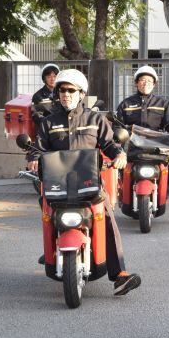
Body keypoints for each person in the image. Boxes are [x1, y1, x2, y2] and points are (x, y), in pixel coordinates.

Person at [28, 69, 141, 296]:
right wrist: (32, 159)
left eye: (71, 90)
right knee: (47, 210)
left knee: (107, 216)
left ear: (81, 93)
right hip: (56, 184)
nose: (66, 94)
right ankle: (51, 252)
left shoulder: (95, 119)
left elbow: (110, 145)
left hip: (88, 183)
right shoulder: (48, 122)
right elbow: (37, 148)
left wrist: (120, 155)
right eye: (62, 90)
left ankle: (119, 274)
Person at [116, 65, 169, 225]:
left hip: (158, 148)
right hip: (133, 148)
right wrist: (119, 135)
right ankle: (120, 203)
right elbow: (118, 124)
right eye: (142, 80)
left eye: (149, 81)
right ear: (136, 83)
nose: (145, 83)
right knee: (116, 172)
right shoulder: (126, 104)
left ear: (154, 84)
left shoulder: (162, 103)